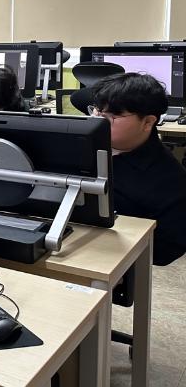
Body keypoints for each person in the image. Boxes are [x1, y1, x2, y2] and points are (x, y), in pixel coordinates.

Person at [72, 73, 186, 266]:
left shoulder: (170, 181)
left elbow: (166, 252)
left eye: (111, 116)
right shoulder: (83, 143)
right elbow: (78, 97)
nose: (98, 120)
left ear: (148, 122)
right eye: (96, 111)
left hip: (109, 257)